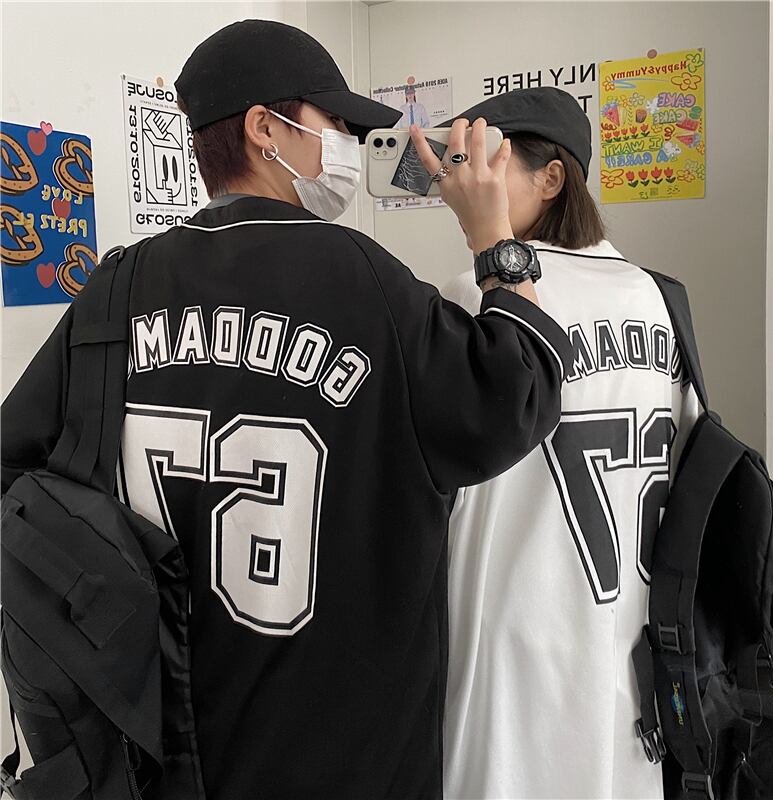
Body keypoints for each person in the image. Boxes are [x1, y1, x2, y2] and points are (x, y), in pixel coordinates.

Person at [0, 22, 573, 800]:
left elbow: (17, 478)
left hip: (156, 750)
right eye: (333, 122)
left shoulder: (116, 288)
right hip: (342, 757)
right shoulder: (365, 281)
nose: (347, 145)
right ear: (264, 128)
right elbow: (520, 392)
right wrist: (495, 239)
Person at [439, 87, 701, 800]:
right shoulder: (658, 298)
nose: (469, 178)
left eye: (491, 160)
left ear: (551, 177)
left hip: (513, 642)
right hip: (634, 647)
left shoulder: (477, 295)